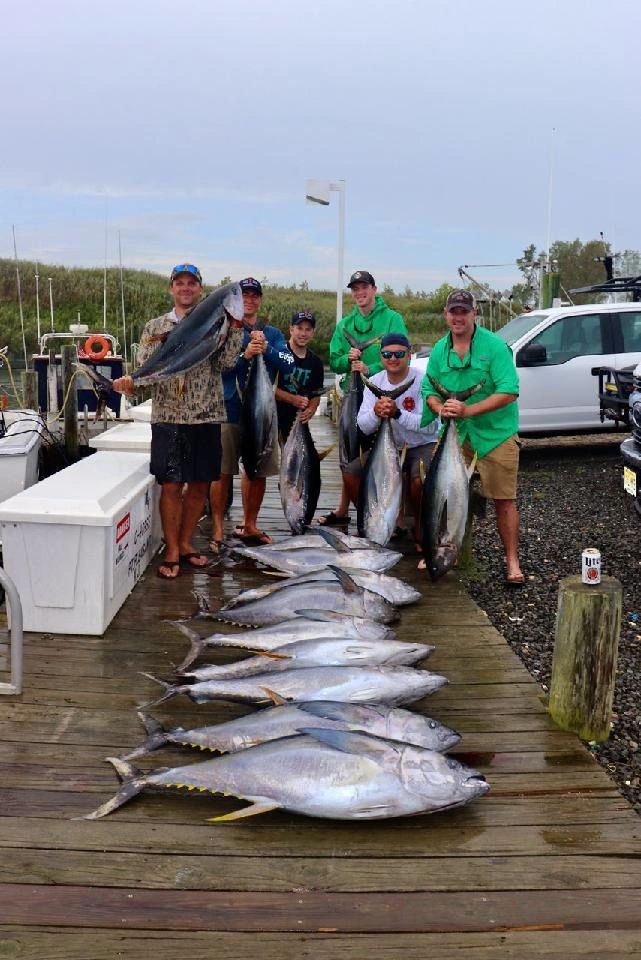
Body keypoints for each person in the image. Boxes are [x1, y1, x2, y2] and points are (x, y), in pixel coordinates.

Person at [112, 264, 244, 580]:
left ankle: (186, 544)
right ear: (171, 288)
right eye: (180, 283)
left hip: (207, 414)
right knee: (171, 484)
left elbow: (226, 363)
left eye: (191, 283)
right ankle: (171, 549)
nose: (186, 288)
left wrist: (236, 328)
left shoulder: (220, 320)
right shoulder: (155, 326)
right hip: (168, 416)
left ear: (200, 289)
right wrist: (130, 382)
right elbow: (145, 368)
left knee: (200, 484)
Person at [421, 289, 524, 584]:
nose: (458, 317)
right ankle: (436, 549)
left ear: (473, 314)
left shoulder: (495, 347)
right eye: (453, 311)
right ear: (446, 314)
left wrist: (468, 410)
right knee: (437, 494)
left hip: (495, 434)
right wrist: (440, 408)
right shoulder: (439, 350)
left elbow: (509, 390)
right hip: (456, 434)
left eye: (463, 312)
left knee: (504, 499)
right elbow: (429, 390)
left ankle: (512, 562)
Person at [209, 277, 294, 550]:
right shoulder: (224, 328)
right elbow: (216, 366)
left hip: (262, 412)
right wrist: (244, 356)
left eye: (254, 295)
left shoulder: (273, 334)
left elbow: (290, 364)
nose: (249, 300)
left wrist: (267, 350)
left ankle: (250, 524)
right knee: (222, 471)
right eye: (244, 295)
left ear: (260, 300)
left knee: (257, 469)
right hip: (229, 409)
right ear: (236, 299)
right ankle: (218, 528)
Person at [319, 270, 408, 525]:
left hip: (383, 392)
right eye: (355, 289)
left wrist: (371, 369)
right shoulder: (345, 324)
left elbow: (402, 354)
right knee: (349, 449)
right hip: (353, 393)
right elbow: (334, 361)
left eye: (364, 287)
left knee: (384, 450)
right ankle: (343, 509)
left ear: (374, 289)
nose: (359, 293)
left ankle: (395, 514)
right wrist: (348, 360)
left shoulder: (392, 318)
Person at [357, 333, 440, 545]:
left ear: (409, 355)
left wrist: (397, 413)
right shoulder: (373, 382)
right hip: (388, 447)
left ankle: (420, 527)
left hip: (421, 445)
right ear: (381, 357)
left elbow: (430, 426)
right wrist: (376, 412)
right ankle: (382, 519)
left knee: (420, 480)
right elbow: (363, 426)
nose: (393, 358)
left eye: (399, 354)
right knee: (351, 473)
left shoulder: (423, 381)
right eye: (387, 354)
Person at [275, 310, 324, 441]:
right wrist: (292, 399)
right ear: (291, 330)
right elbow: (267, 388)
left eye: (308, 329)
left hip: (297, 423)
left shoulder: (316, 362)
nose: (303, 333)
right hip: (272, 419)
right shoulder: (277, 354)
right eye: (299, 328)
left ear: (313, 332)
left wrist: (312, 408)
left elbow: (316, 392)